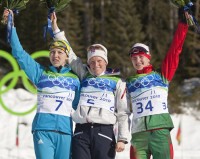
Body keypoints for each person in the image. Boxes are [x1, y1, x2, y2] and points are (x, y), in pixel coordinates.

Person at [51, 12, 130, 159]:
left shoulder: (117, 82)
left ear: (106, 61)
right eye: (92, 61)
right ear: (88, 63)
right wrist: (56, 30)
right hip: (82, 130)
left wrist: (122, 138)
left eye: (99, 61)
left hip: (104, 131)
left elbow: (123, 112)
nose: (96, 64)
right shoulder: (84, 74)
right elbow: (71, 54)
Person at [3, 9, 80, 159]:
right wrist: (11, 26)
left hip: (65, 133)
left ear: (66, 57)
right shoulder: (41, 74)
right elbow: (19, 53)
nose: (55, 55)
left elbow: (80, 107)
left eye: (59, 52)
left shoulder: (75, 79)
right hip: (43, 130)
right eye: (52, 52)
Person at [126, 11, 189, 159]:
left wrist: (182, 25)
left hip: (160, 132)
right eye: (134, 58)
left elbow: (175, 51)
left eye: (141, 57)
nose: (137, 61)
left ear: (148, 58)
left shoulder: (161, 76)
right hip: (138, 134)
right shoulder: (128, 82)